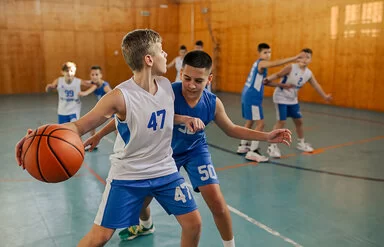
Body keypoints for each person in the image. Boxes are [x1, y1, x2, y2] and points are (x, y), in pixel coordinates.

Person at [84, 51, 292, 247]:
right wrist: (99, 135)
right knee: (141, 201)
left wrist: (267, 137)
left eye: (199, 80)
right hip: (163, 154)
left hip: (195, 151)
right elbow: (131, 115)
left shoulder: (212, 103)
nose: (191, 85)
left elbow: (231, 129)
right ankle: (146, 225)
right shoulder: (166, 92)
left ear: (209, 80)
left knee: (217, 202)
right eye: (187, 78)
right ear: (181, 73)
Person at [16, 29, 202, 247]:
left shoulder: (165, 86)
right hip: (128, 175)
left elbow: (155, 114)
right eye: (162, 51)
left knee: (194, 224)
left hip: (164, 170)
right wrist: (36, 136)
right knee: (101, 237)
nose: (166, 55)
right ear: (149, 59)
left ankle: (145, 223)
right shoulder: (119, 97)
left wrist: (185, 118)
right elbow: (78, 125)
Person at [237, 43, 305, 162]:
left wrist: (281, 85)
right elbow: (275, 63)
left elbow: (264, 82)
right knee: (260, 124)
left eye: (269, 52)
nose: (268, 55)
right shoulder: (262, 63)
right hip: (252, 97)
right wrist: (294, 58)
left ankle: (243, 146)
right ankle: (253, 151)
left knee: (250, 121)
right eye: (265, 52)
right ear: (259, 53)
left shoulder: (258, 64)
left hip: (247, 95)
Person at [264, 48, 332, 158]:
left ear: (311, 60)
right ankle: (272, 146)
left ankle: (301, 143)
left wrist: (325, 96)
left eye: (308, 57)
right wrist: (267, 79)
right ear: (298, 57)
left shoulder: (308, 73)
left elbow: (316, 85)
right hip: (281, 97)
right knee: (281, 121)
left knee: (299, 121)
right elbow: (277, 75)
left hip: (292, 99)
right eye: (302, 56)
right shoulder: (291, 67)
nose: (305, 59)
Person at [78, 65, 113, 139]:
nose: (94, 77)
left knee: (116, 128)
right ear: (90, 75)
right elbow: (81, 82)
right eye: (92, 75)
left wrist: (84, 93)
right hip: (101, 109)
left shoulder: (105, 86)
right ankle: (93, 142)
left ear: (101, 75)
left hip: (110, 109)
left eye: (96, 74)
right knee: (92, 124)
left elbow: (113, 95)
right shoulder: (92, 83)